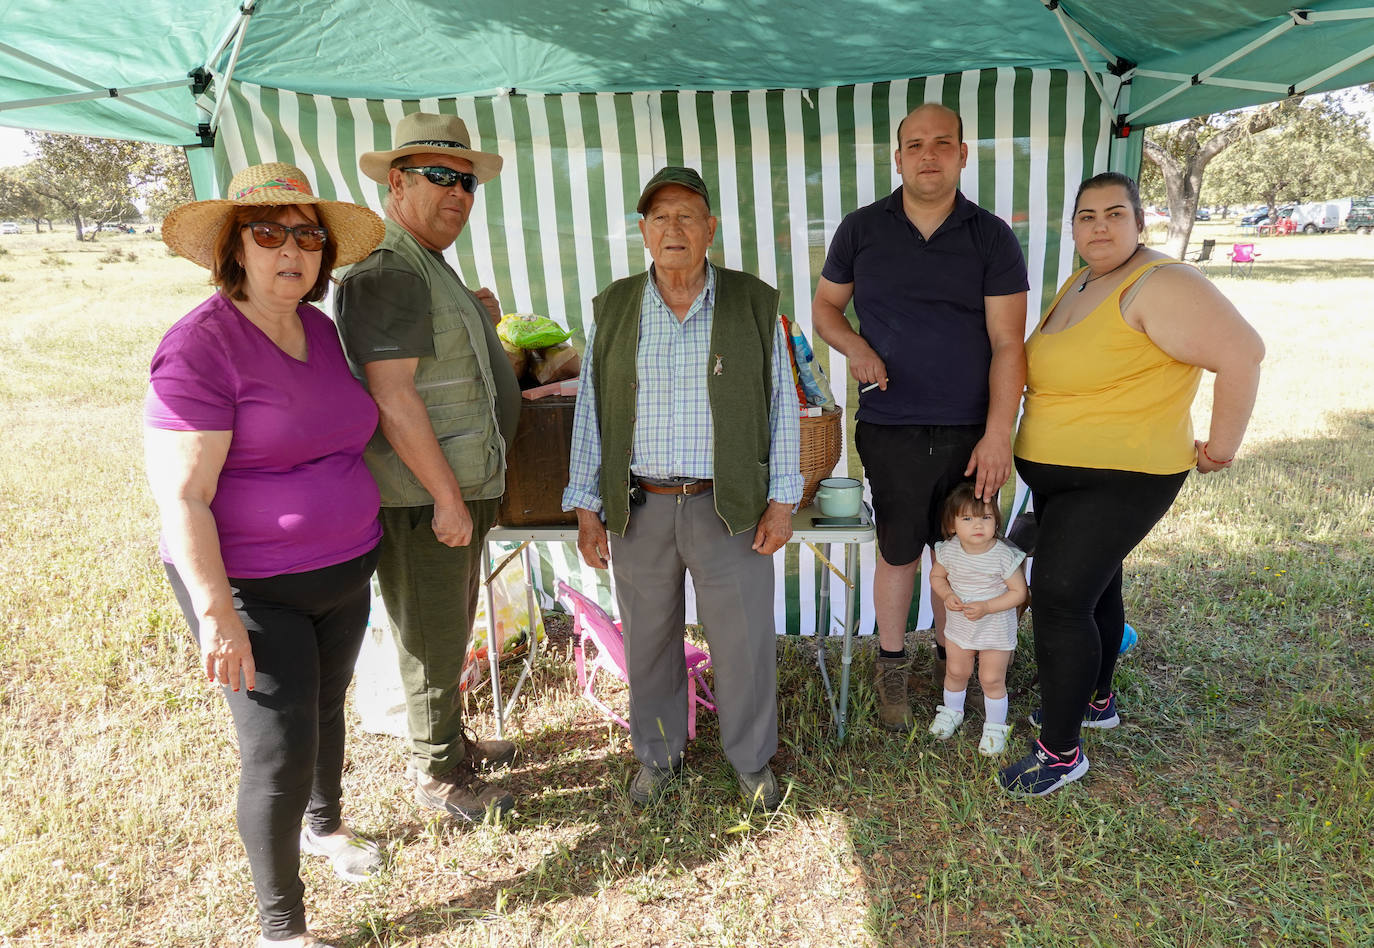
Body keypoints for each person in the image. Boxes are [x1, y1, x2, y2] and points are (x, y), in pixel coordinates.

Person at [145, 162, 387, 948]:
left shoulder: (318, 329)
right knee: (277, 750)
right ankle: (280, 930)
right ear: (235, 247)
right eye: (269, 231)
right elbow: (182, 496)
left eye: (309, 235)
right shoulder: (199, 349)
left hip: (345, 570)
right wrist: (216, 613)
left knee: (325, 707)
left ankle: (326, 827)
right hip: (252, 588)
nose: (293, 249)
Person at [999, 171, 1264, 797]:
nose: (1099, 227)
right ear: (1073, 229)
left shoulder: (1161, 281)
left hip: (1123, 476)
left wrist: (1221, 448)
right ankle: (1095, 700)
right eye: (1087, 216)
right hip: (1065, 479)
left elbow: (1243, 352)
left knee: (1060, 600)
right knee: (1095, 585)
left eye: (1115, 214)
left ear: (1140, 222)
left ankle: (1061, 753)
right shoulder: (1087, 278)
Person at [562, 167, 802, 810]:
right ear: (642, 231)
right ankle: (658, 755)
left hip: (729, 506)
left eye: (687, 215)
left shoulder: (753, 302)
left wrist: (783, 500)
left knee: (745, 639)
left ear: (710, 229)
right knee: (648, 641)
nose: (674, 228)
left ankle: (751, 761)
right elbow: (592, 411)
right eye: (660, 217)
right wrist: (587, 507)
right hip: (641, 506)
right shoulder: (614, 307)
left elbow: (783, 406)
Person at [811, 102, 1029, 732]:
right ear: (897, 156)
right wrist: (856, 348)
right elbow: (826, 308)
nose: (927, 155)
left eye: (942, 143)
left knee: (965, 547)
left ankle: (954, 664)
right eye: (914, 144)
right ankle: (892, 672)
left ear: (963, 154)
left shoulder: (991, 235)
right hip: (890, 424)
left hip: (971, 428)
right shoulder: (860, 229)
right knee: (900, 549)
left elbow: (1009, 343)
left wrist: (997, 434)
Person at [334, 113, 523, 821]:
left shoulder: (425, 263)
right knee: (429, 636)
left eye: (467, 182)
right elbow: (392, 394)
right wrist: (446, 497)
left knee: (449, 627)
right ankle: (441, 776)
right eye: (440, 177)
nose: (458, 194)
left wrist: (475, 314)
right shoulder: (387, 268)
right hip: (420, 495)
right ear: (397, 183)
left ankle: (451, 743)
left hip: (454, 487)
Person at [925, 483, 1027, 756]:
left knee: (991, 678)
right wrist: (946, 595)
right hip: (960, 626)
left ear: (996, 520)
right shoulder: (949, 550)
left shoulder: (1004, 556)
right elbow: (937, 576)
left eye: (986, 517)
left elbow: (1019, 593)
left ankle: (995, 726)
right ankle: (951, 712)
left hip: (994, 629)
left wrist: (988, 606)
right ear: (952, 524)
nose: (977, 525)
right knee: (956, 671)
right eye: (967, 519)